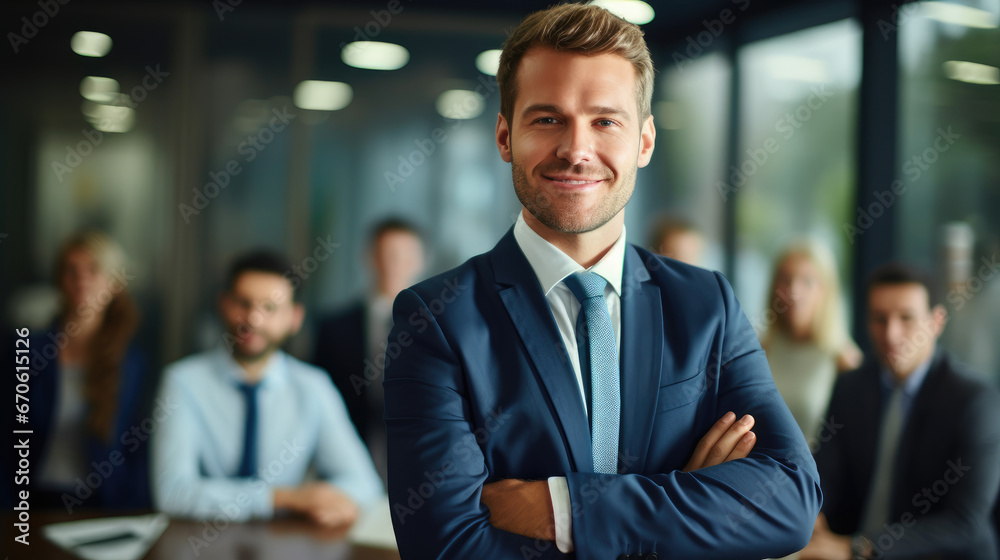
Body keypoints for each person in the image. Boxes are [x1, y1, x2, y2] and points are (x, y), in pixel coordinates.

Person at [382, 5, 821, 559]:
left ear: (643, 142)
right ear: (503, 136)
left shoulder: (707, 305)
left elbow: (789, 502)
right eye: (547, 119)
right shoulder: (436, 319)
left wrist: (565, 508)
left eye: (604, 121)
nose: (575, 149)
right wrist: (690, 511)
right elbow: (446, 547)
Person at [151, 250, 381, 527]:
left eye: (269, 308)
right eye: (243, 303)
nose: (253, 320)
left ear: (294, 318)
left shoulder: (313, 386)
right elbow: (173, 493)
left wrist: (331, 501)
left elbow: (365, 485)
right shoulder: (182, 382)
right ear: (224, 305)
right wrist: (283, 499)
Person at [802, 263, 1000, 560]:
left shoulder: (974, 400)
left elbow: (965, 521)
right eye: (879, 319)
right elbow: (826, 474)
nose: (891, 334)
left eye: (906, 318)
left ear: (936, 322)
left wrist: (858, 549)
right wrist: (812, 513)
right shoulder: (851, 386)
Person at [3, 231, 149, 511]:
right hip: (32, 505)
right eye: (71, 270)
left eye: (93, 270)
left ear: (114, 283)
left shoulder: (130, 363)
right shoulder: (26, 351)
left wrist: (135, 514)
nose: (81, 279)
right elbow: (5, 438)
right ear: (59, 280)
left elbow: (136, 450)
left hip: (102, 506)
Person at [312, 218, 424, 482]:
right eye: (387, 254)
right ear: (370, 258)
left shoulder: (443, 327)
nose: (395, 264)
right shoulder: (333, 329)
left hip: (422, 471)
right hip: (348, 468)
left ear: (420, 261)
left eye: (405, 256)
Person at [760, 240, 861, 447]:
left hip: (814, 476)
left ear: (825, 290)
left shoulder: (844, 359)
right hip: (759, 468)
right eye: (786, 279)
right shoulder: (761, 348)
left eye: (807, 281)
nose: (794, 291)